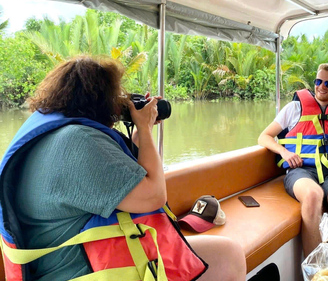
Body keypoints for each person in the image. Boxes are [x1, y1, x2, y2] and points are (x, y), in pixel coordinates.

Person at [0, 56, 246, 281]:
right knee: (229, 255)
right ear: (102, 100)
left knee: (226, 256)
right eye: (117, 97)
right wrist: (147, 130)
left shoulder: (52, 135)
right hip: (81, 272)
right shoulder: (78, 142)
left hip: (75, 264)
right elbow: (153, 196)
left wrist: (139, 136)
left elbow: (123, 183)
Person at [258, 63, 328, 255]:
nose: (321, 86)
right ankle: (316, 270)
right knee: (312, 196)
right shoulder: (294, 107)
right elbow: (264, 136)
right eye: (318, 81)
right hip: (301, 170)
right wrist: (284, 152)